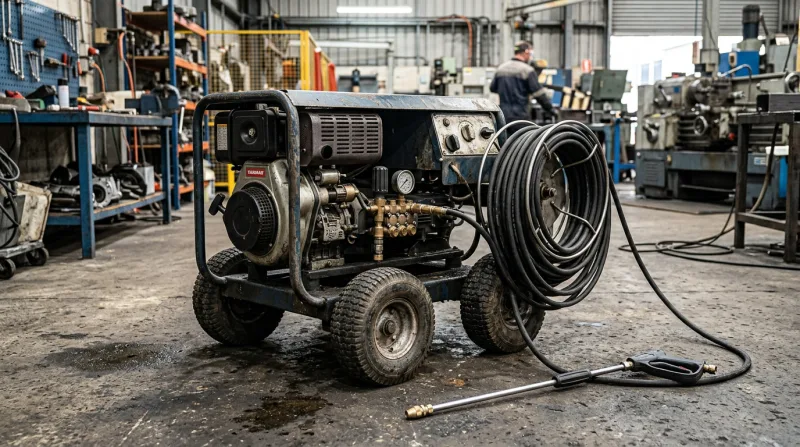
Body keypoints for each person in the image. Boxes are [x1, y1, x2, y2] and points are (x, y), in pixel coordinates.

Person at [490, 41, 554, 133]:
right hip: (520, 117)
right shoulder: (527, 70)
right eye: (530, 54)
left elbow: (493, 88)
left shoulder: (500, 69)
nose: (530, 57)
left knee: (505, 141)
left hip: (503, 116)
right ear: (526, 52)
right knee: (522, 141)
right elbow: (539, 94)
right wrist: (550, 109)